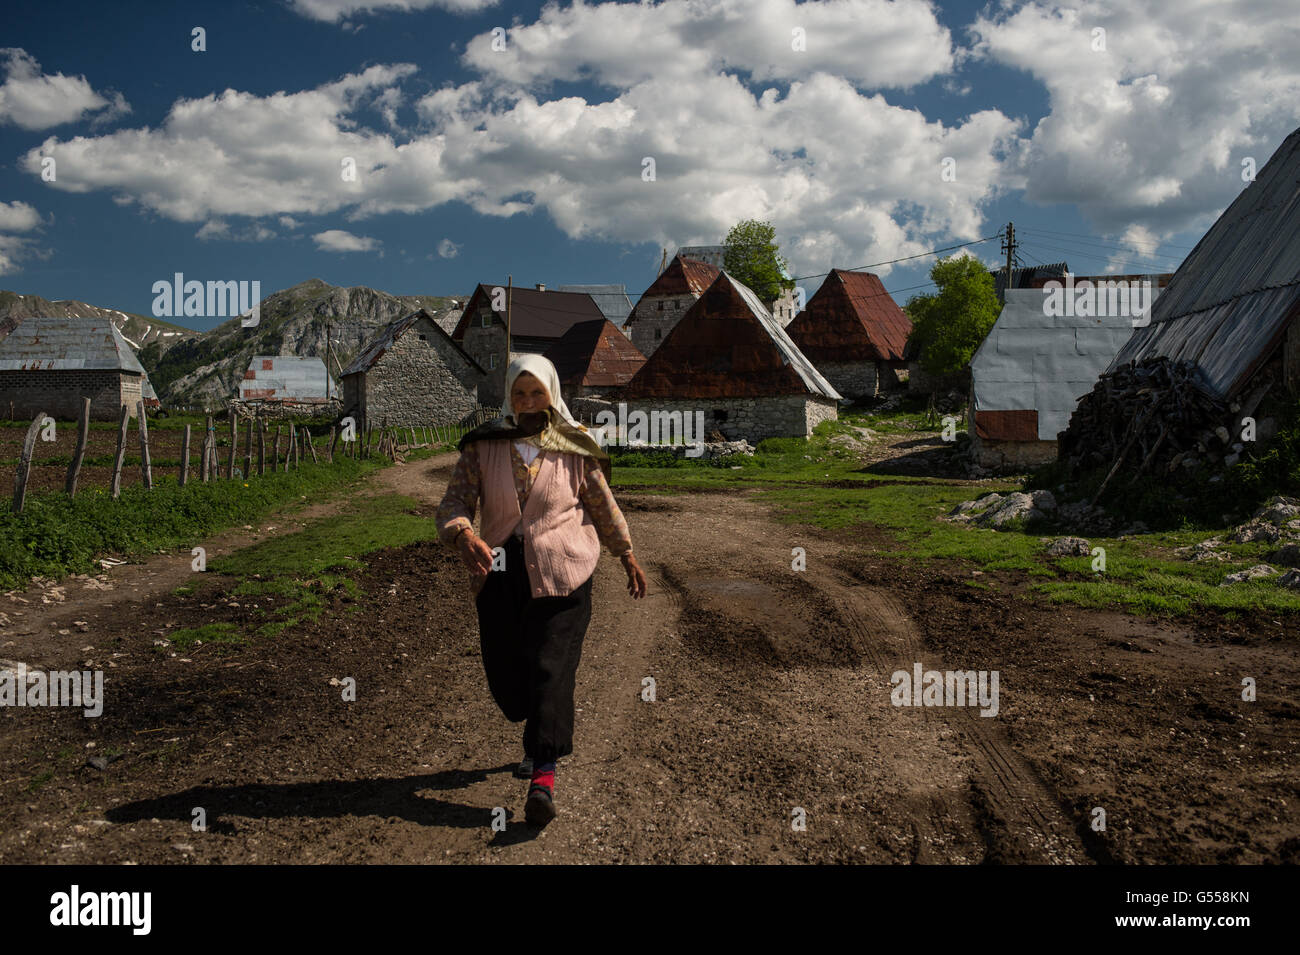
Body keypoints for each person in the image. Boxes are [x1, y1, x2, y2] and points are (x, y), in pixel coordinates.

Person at [436, 355, 647, 827]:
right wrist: (463, 533)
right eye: (520, 394)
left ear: (552, 394)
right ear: (508, 397)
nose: (529, 402)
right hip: (500, 573)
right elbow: (454, 502)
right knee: (510, 680)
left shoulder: (574, 446)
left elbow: (602, 505)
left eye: (537, 393)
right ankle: (533, 727)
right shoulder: (483, 445)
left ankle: (543, 778)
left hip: (564, 570)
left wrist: (626, 553)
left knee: (552, 669)